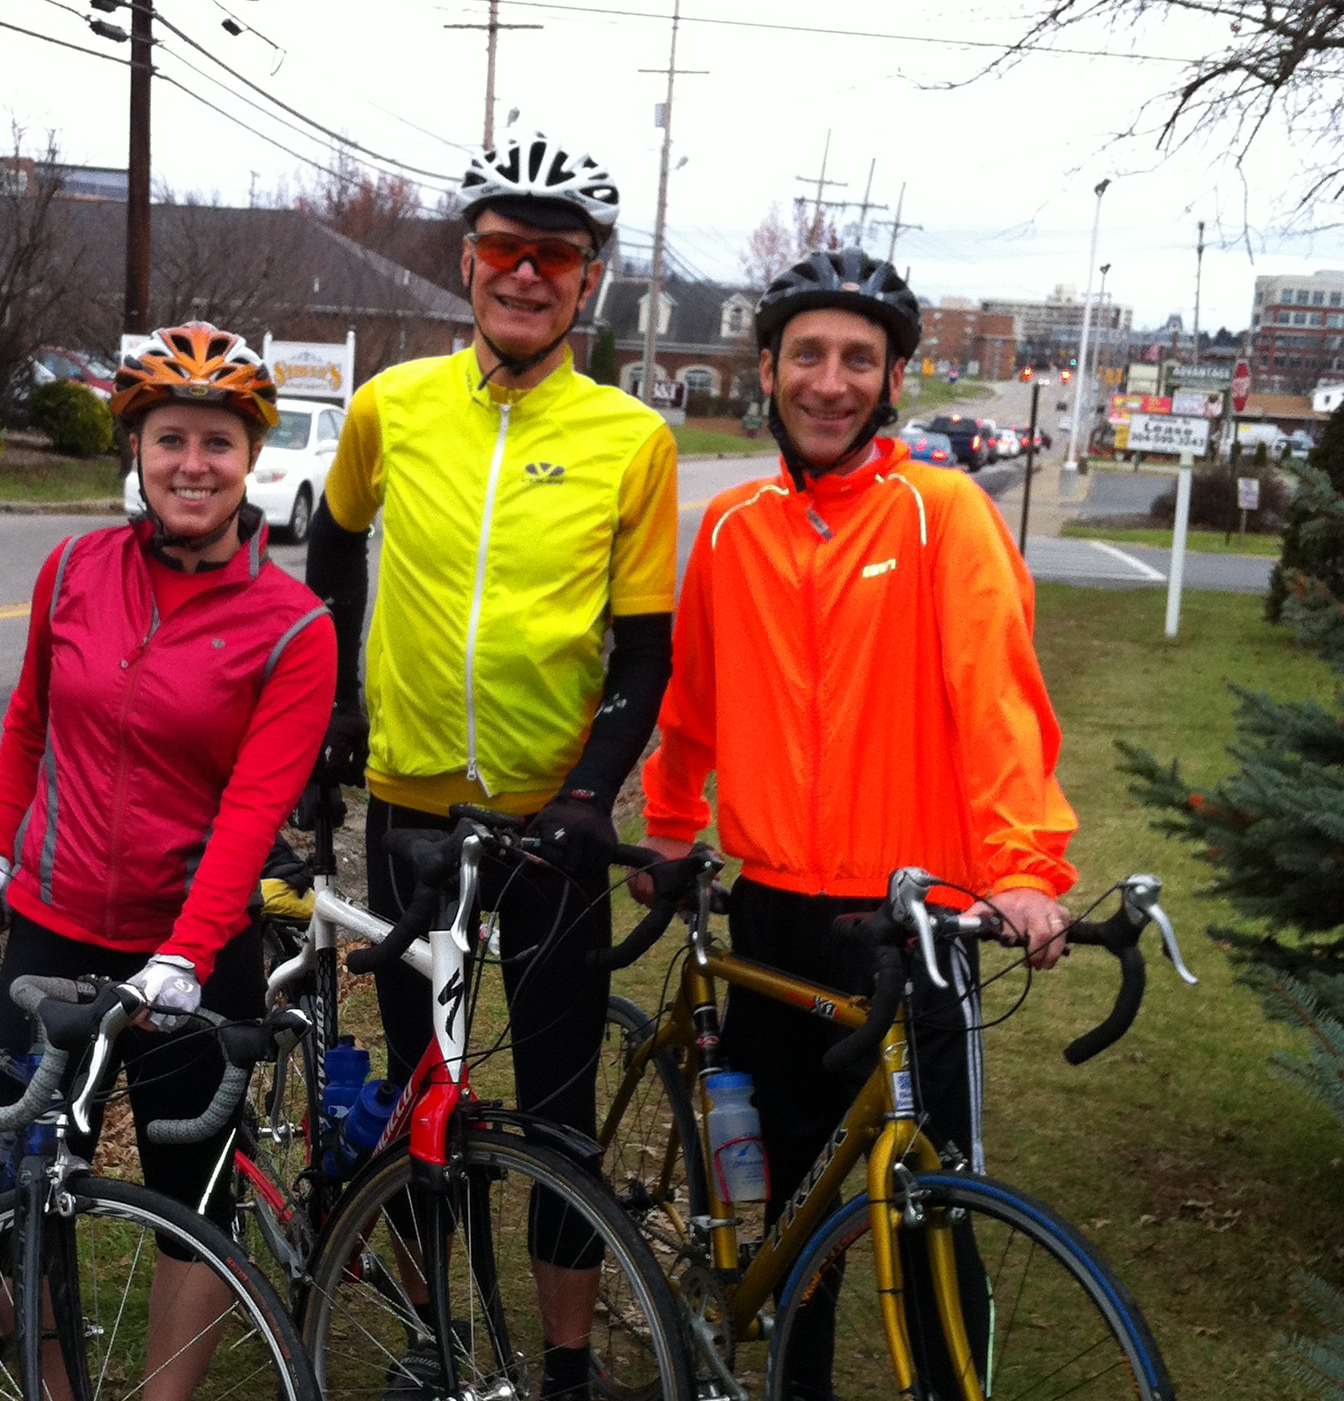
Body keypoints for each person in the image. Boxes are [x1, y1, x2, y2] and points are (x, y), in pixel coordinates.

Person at [638, 247, 1078, 1395]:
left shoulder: (943, 515)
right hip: (774, 915)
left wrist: (1022, 867)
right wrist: (672, 825)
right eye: (808, 355)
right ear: (768, 369)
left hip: (912, 923)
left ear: (891, 382)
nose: (829, 383)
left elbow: (998, 701)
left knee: (935, 1205)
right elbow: (693, 700)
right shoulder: (730, 528)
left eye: (858, 360)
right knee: (789, 1202)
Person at [304, 130, 678, 1400]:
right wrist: (338, 704)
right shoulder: (391, 406)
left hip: (549, 829)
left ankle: (565, 1360)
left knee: (560, 1105)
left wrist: (589, 794)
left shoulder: (632, 438)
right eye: (506, 248)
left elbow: (646, 648)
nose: (527, 273)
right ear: (468, 263)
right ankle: (439, 1336)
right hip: (411, 811)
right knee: (429, 1097)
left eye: (554, 256)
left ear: (588, 280)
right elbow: (333, 548)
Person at [0, 321, 336, 1400]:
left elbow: (253, 812)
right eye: (170, 439)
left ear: (250, 457)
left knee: (188, 1204)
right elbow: (28, 723)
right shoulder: (73, 569)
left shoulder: (292, 627)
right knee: (19, 1187)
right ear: (137, 449)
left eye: (217, 442)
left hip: (192, 957)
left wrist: (186, 954)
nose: (192, 465)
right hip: (54, 926)